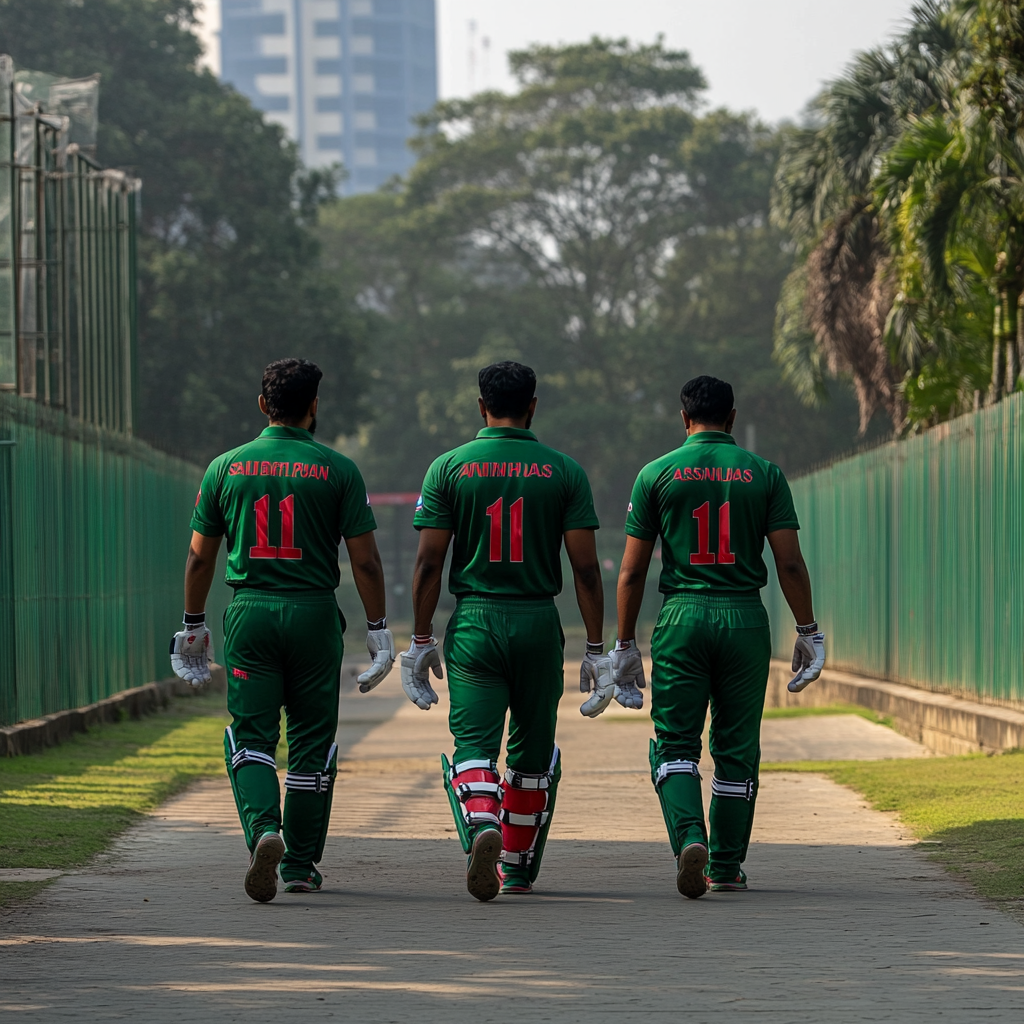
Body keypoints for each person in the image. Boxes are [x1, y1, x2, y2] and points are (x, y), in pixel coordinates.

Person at [169, 359, 395, 903]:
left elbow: (201, 558)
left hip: (250, 613)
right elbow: (364, 563)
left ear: (262, 405)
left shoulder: (224, 468)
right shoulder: (339, 470)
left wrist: (193, 625)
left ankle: (262, 830)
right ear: (314, 407)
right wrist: (380, 628)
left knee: (251, 738)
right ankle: (298, 865)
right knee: (312, 744)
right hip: (315, 614)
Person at [404, 361, 614, 901]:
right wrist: (596, 646)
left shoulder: (448, 468)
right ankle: (516, 868)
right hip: (538, 621)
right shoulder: (565, 471)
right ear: (533, 406)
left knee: (473, 741)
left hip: (474, 619)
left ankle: (482, 825)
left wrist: (421, 637)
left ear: (481, 406)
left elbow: (429, 564)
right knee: (532, 749)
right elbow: (586, 570)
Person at [611, 375, 825, 898]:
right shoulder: (765, 474)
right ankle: (725, 866)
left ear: (684, 419)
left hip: (682, 619)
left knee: (677, 744)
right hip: (744, 618)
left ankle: (689, 837)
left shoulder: (655, 474)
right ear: (731, 418)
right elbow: (789, 562)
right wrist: (808, 630)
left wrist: (622, 644)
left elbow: (632, 573)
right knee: (735, 747)